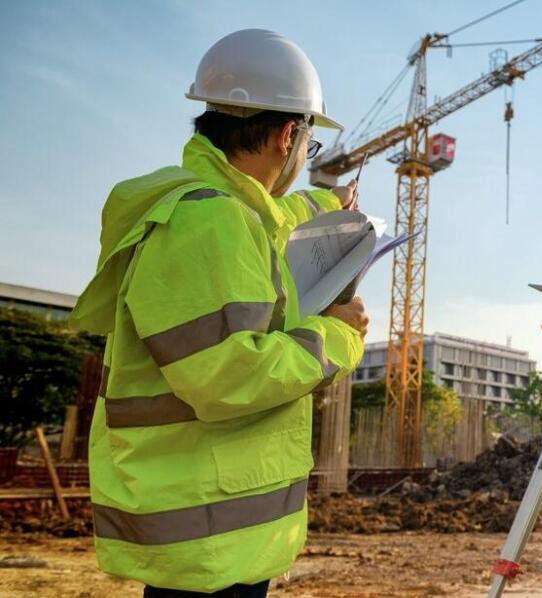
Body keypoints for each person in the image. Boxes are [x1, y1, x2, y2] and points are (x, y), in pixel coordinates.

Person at [71, 29, 369, 597]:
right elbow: (231, 375)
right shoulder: (209, 221)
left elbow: (272, 216)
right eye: (309, 145)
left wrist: (327, 204)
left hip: (213, 521)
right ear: (288, 135)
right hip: (206, 532)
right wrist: (338, 335)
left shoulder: (224, 209)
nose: (304, 158)